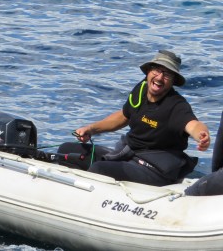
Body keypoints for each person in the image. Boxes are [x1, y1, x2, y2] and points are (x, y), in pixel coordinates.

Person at [74, 50, 210, 186]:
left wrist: (202, 135)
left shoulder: (176, 105)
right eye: (157, 70)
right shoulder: (141, 89)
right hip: (130, 155)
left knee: (99, 169)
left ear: (173, 81)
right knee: (67, 149)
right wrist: (91, 129)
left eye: (167, 74)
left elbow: (193, 125)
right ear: (148, 71)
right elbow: (123, 116)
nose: (159, 77)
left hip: (155, 169)